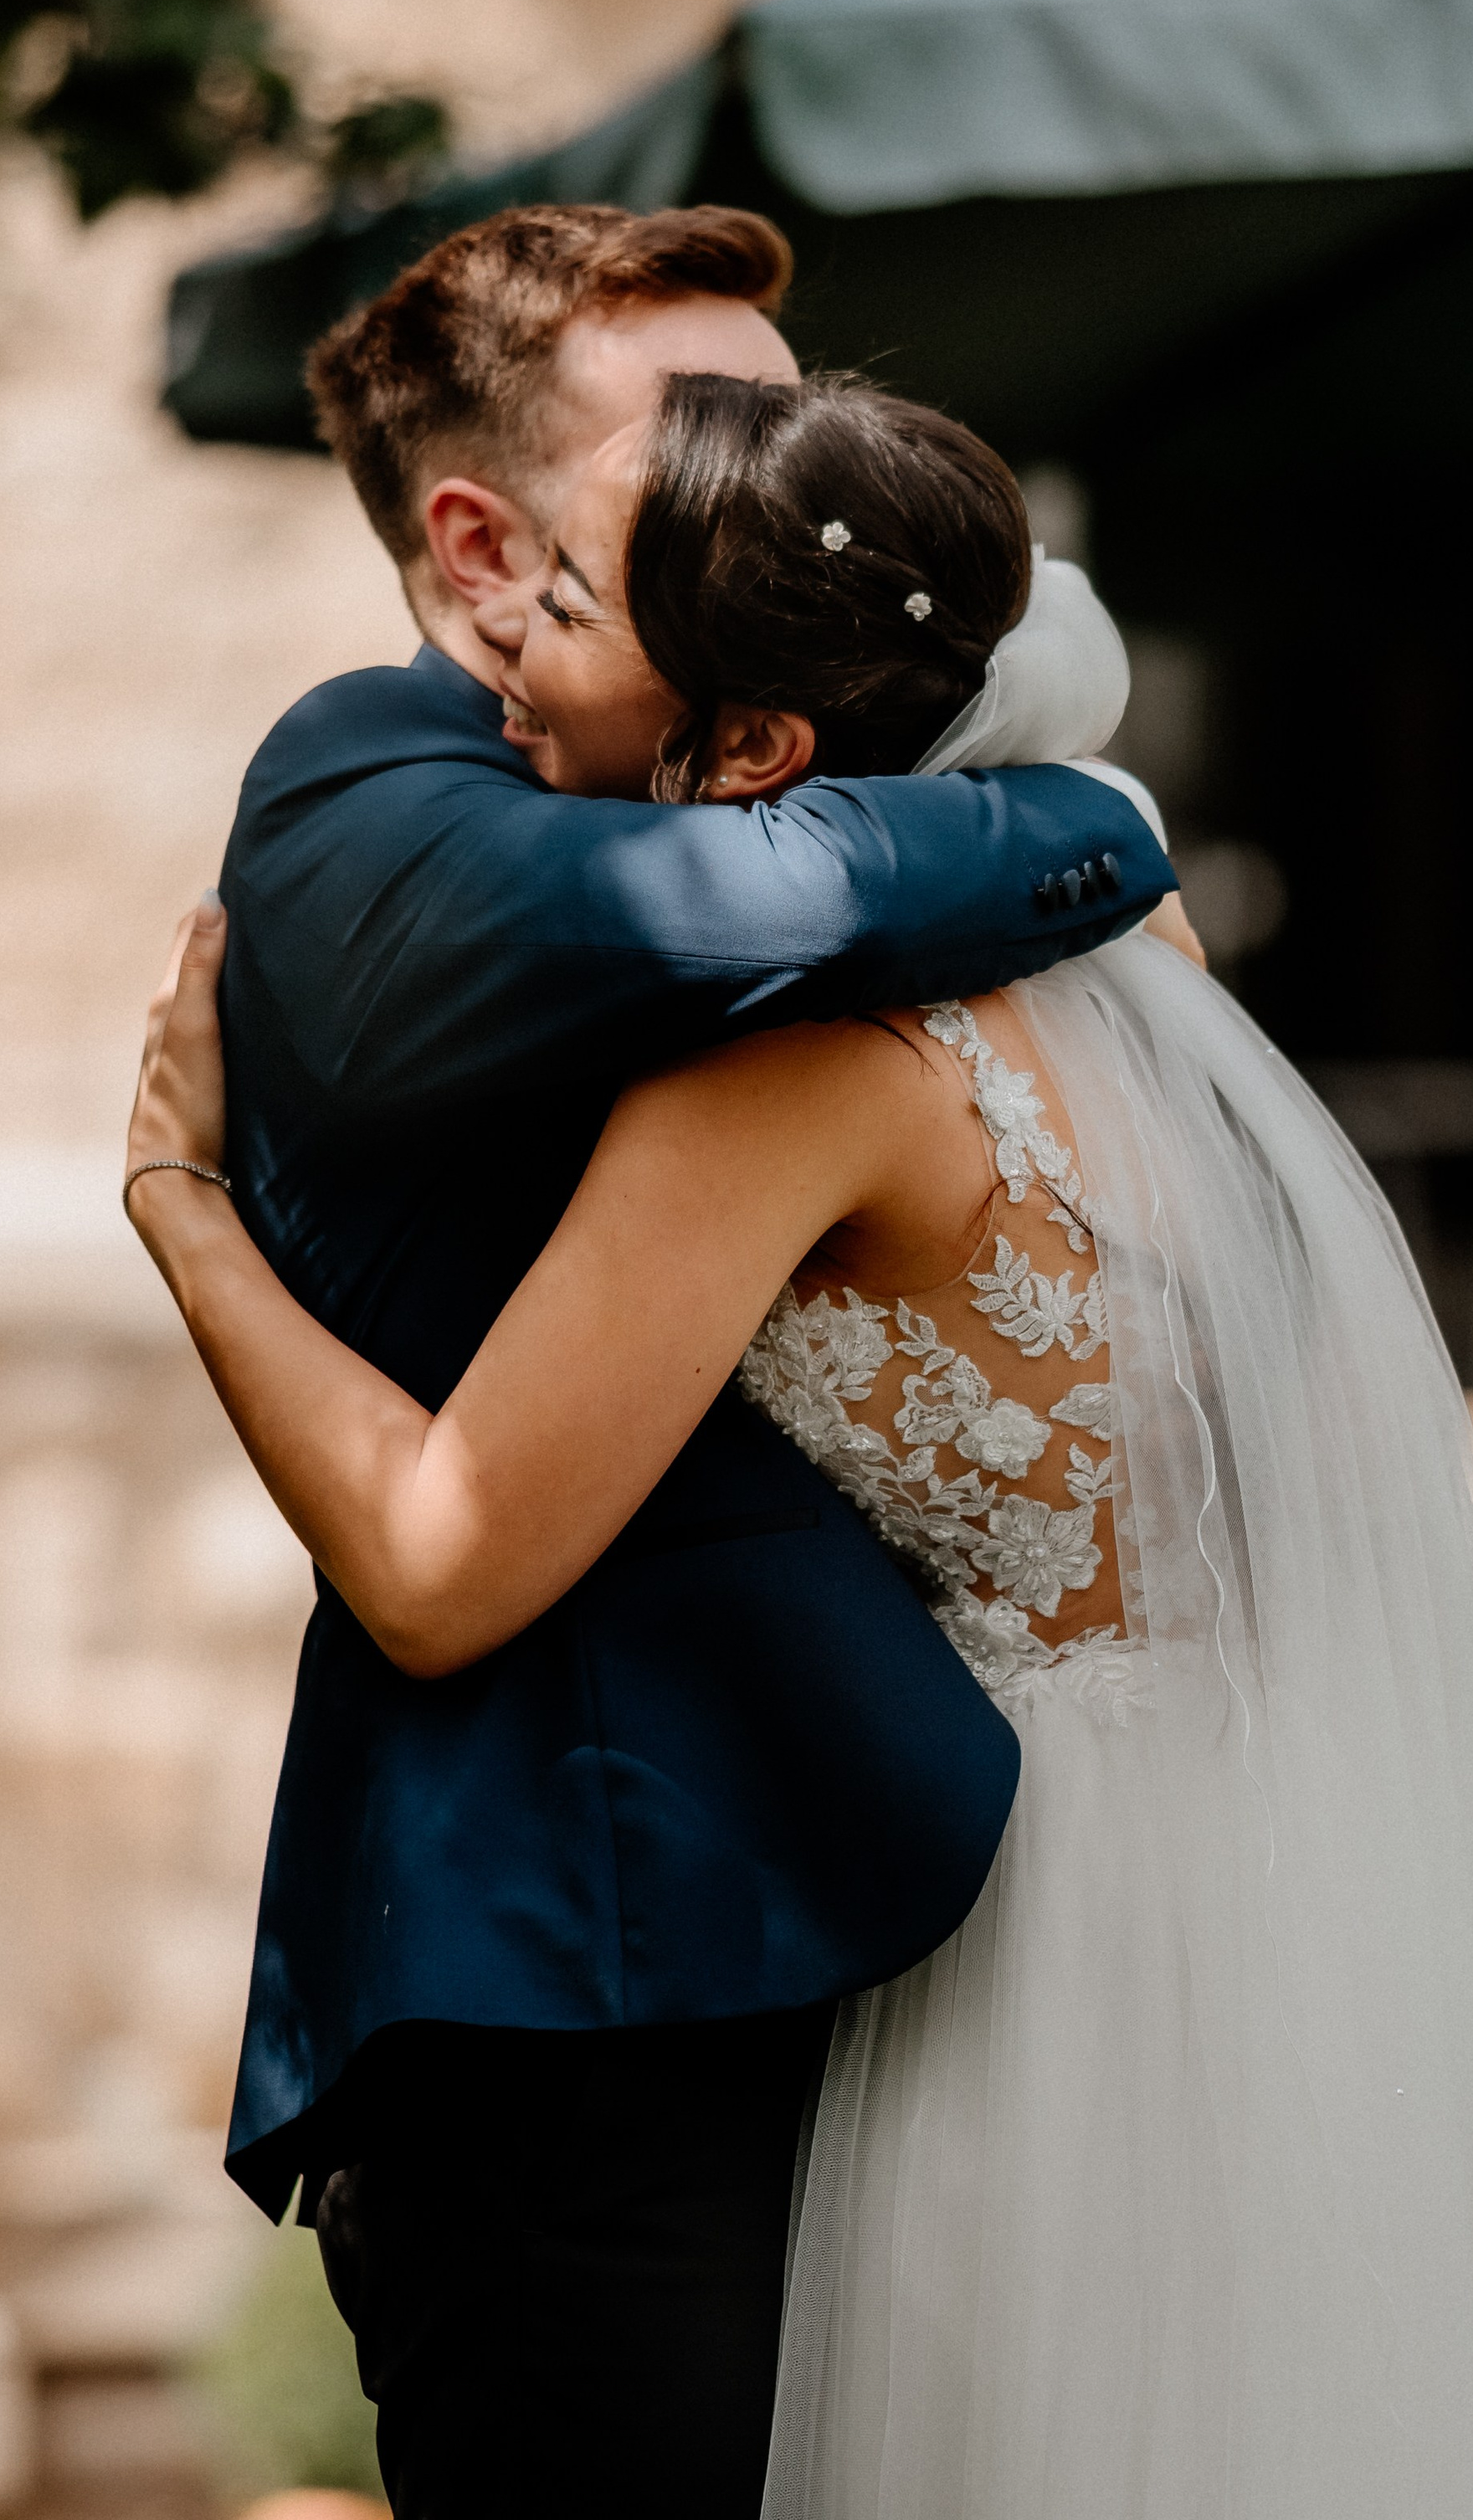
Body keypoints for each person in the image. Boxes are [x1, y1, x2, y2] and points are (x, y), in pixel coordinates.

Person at [131, 367, 1473, 2520]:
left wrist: (183, 1214)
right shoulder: (1146, 982)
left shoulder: (785, 1079)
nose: (503, 654)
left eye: (567, 614)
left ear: (756, 749)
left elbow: (436, 1561)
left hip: (1024, 1932)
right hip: (1267, 1875)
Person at [155, 201, 1180, 2520]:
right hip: (571, 1962)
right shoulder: (371, 787)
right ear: (479, 534)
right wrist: (1082, 813)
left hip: (838, 1925)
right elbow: (776, 892)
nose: (777, 465)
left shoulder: (736, 795)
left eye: (790, 414)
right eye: (708, 428)